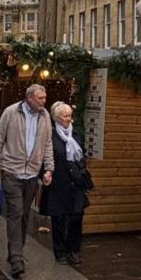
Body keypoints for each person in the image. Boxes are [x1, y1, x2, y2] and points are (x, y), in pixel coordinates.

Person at [0, 84, 54, 279]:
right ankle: (17, 258)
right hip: (11, 171)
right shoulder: (11, 112)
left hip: (32, 173)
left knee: (24, 214)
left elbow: (47, 143)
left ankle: (14, 250)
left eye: (44, 98)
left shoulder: (45, 116)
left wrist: (48, 168)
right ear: (29, 98)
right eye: (40, 98)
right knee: (15, 212)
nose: (44, 101)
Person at [39, 102, 89, 265]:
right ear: (57, 118)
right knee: (59, 218)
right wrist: (45, 174)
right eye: (65, 116)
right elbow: (43, 158)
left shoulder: (76, 134)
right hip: (58, 182)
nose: (69, 119)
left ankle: (73, 250)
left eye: (70, 115)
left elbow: (83, 154)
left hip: (76, 183)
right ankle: (60, 252)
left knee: (76, 216)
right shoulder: (50, 136)